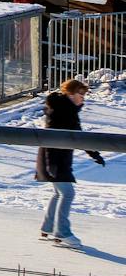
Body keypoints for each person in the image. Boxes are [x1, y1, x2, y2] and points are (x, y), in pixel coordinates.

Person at [37, 78, 105, 247]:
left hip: (56, 159)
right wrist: (51, 164)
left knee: (59, 193)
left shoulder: (66, 109)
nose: (83, 98)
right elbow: (56, 136)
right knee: (67, 194)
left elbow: (78, 136)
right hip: (54, 160)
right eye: (80, 94)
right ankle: (62, 233)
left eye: (84, 94)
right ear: (70, 93)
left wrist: (94, 153)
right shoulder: (62, 110)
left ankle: (48, 227)